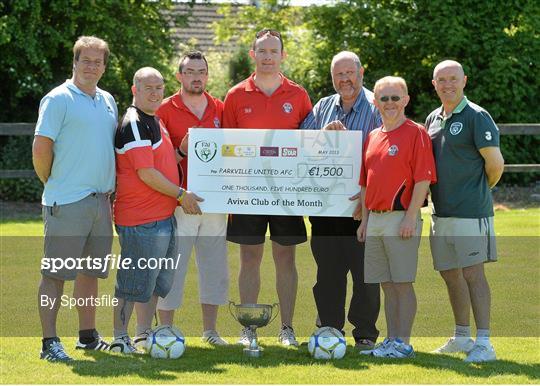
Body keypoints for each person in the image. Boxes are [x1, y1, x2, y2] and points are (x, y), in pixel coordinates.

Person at [223, 28, 312, 346]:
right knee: (249, 258)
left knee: (286, 258)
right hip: (247, 193)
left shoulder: (299, 95)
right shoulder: (235, 95)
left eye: (274, 51)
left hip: (286, 193)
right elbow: (226, 148)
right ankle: (248, 328)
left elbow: (310, 145)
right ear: (253, 55)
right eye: (262, 51)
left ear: (283, 55)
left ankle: (286, 328)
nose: (268, 56)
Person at [33, 36, 117, 361]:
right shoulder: (58, 99)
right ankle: (49, 343)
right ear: (75, 62)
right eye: (86, 61)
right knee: (55, 275)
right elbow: (41, 149)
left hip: (100, 203)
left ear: (104, 66)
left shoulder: (108, 99)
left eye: (98, 62)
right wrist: (53, 182)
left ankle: (87, 337)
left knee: (90, 273)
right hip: (65, 202)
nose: (92, 66)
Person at [110, 67, 202, 353]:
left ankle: (141, 334)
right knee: (132, 283)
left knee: (150, 284)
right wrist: (180, 194)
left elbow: (161, 163)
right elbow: (146, 173)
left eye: (159, 87)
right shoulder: (135, 122)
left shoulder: (154, 120)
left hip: (161, 217)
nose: (154, 93)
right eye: (147, 87)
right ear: (134, 90)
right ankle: (119, 338)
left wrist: (182, 152)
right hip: (141, 219)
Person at [300, 51, 381, 351]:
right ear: (332, 77)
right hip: (325, 207)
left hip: (362, 204)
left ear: (361, 73)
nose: (344, 79)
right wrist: (323, 135)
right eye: (338, 75)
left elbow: (381, 156)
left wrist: (368, 199)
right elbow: (301, 144)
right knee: (328, 273)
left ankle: (365, 333)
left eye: (349, 73)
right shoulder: (322, 107)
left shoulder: (376, 106)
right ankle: (330, 326)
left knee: (365, 275)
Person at [426, 60, 504, 363]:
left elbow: (494, 165)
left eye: (453, 79)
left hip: (471, 213)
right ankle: (461, 337)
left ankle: (484, 342)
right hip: (440, 212)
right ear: (434, 84)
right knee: (450, 274)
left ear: (464, 81)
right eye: (441, 80)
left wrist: (479, 191)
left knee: (473, 273)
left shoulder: (477, 116)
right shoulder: (433, 118)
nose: (448, 85)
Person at [356, 76, 436, 358]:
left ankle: (403, 342)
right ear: (375, 102)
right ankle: (390, 341)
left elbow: (423, 180)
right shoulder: (373, 136)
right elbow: (366, 183)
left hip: (401, 218)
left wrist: (410, 218)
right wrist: (365, 221)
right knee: (386, 285)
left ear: (405, 100)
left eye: (394, 97)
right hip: (375, 220)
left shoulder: (417, 133)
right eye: (383, 98)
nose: (389, 103)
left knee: (402, 283)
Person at [156, 51, 229, 345]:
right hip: (180, 202)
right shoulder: (164, 110)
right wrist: (182, 150)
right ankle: (166, 329)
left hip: (216, 203)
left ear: (207, 76)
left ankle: (210, 331)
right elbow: (157, 164)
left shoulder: (221, 108)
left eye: (201, 71)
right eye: (190, 71)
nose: (196, 77)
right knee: (173, 266)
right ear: (179, 76)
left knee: (214, 267)